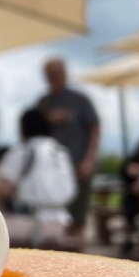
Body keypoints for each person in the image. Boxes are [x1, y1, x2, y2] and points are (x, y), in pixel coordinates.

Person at [0, 107, 77, 247]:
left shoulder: (22, 150)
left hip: (28, 223)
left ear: (24, 128)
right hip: (61, 222)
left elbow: (5, 189)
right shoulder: (60, 151)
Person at [37, 58, 100, 243]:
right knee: (54, 217)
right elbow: (33, 132)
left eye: (58, 73)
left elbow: (95, 128)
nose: (54, 77)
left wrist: (89, 160)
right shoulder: (43, 102)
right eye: (50, 74)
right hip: (51, 170)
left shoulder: (79, 100)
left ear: (65, 73)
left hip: (78, 164)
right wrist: (48, 119)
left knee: (78, 217)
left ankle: (78, 260)